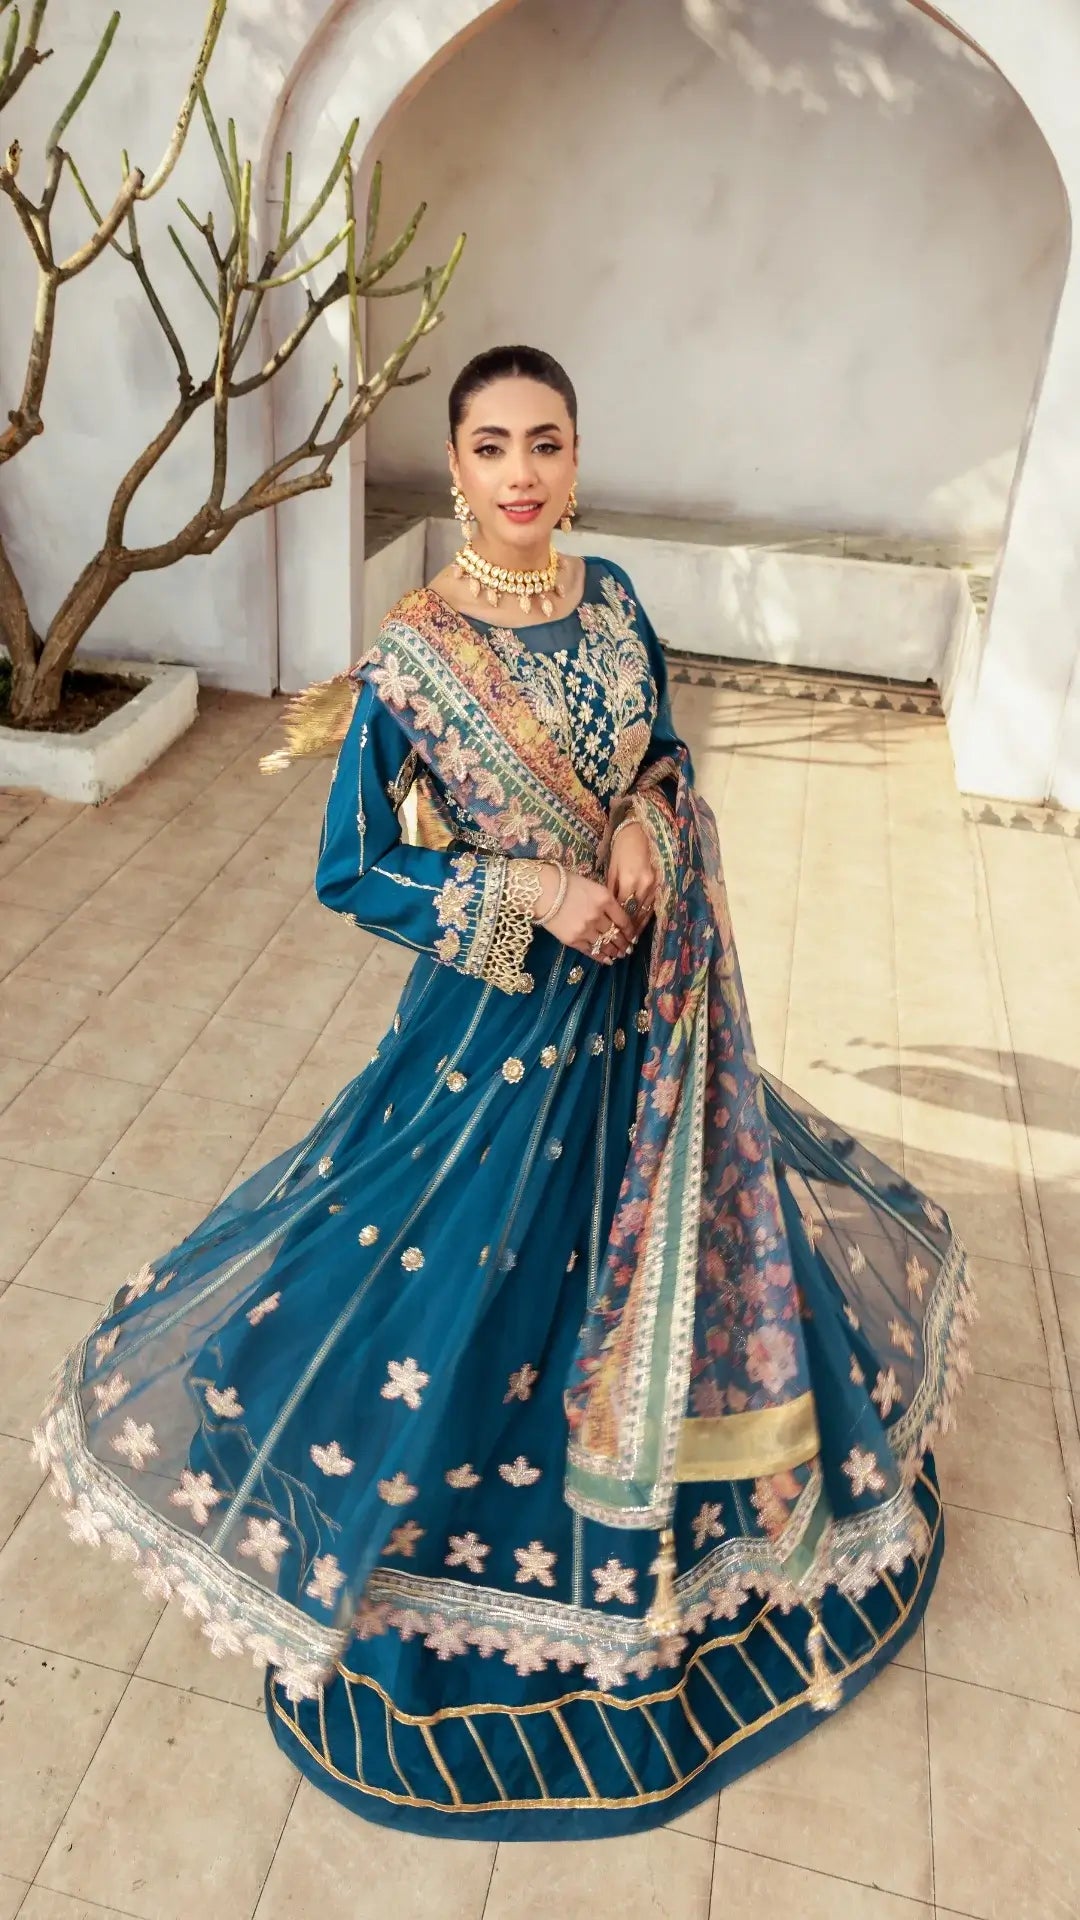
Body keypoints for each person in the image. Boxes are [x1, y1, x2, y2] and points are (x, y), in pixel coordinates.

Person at [34, 345, 973, 1841]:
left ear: (576, 460)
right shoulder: (410, 654)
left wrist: (657, 826)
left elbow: (665, 747)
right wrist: (526, 887)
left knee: (648, 1253)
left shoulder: (612, 602)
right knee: (449, 1270)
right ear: (458, 467)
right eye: (490, 445)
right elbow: (353, 865)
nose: (521, 471)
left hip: (643, 1027)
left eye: (545, 441)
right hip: (495, 1031)